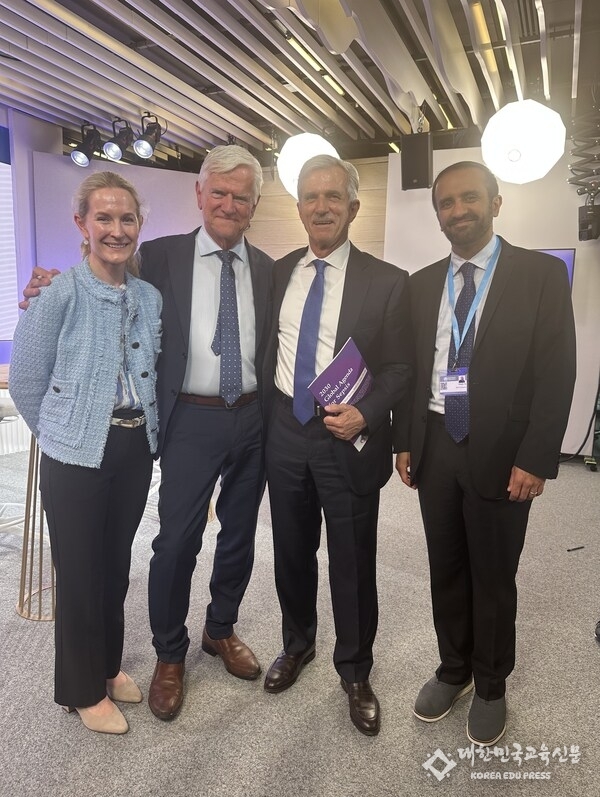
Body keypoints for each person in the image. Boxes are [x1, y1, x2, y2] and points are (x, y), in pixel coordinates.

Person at [21, 146, 274, 722]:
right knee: (172, 541)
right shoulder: (159, 258)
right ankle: (167, 655)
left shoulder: (263, 268)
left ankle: (219, 629)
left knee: (231, 537)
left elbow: (117, 297)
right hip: (183, 420)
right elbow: (83, 298)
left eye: (241, 196)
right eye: (219, 193)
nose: (229, 204)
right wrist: (60, 431)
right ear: (199, 195)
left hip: (235, 420)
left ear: (254, 204)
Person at [393, 161, 576, 746]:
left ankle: (491, 682)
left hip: (502, 451)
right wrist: (404, 440)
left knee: (494, 573)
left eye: (470, 198)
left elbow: (557, 372)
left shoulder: (541, 274)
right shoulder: (422, 283)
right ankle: (454, 670)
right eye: (446, 203)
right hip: (436, 443)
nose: (457, 210)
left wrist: (538, 457)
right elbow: (411, 369)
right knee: (445, 565)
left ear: (496, 203)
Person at [261, 154, 412, 736]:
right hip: (284, 431)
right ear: (298, 207)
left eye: (332, 197)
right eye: (309, 197)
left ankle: (354, 670)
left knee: (351, 560)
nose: (320, 207)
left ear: (353, 206)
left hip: (347, 438)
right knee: (292, 552)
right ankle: (296, 644)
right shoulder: (279, 272)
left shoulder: (386, 281)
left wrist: (367, 413)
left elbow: (400, 368)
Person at [9, 171, 162, 735]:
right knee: (77, 572)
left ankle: (106, 665)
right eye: (104, 217)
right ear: (82, 224)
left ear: (139, 226)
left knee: (116, 567)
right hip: (74, 455)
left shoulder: (148, 297)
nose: (116, 229)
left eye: (126, 219)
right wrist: (58, 434)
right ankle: (78, 689)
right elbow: (25, 379)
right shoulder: (60, 293)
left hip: (132, 447)